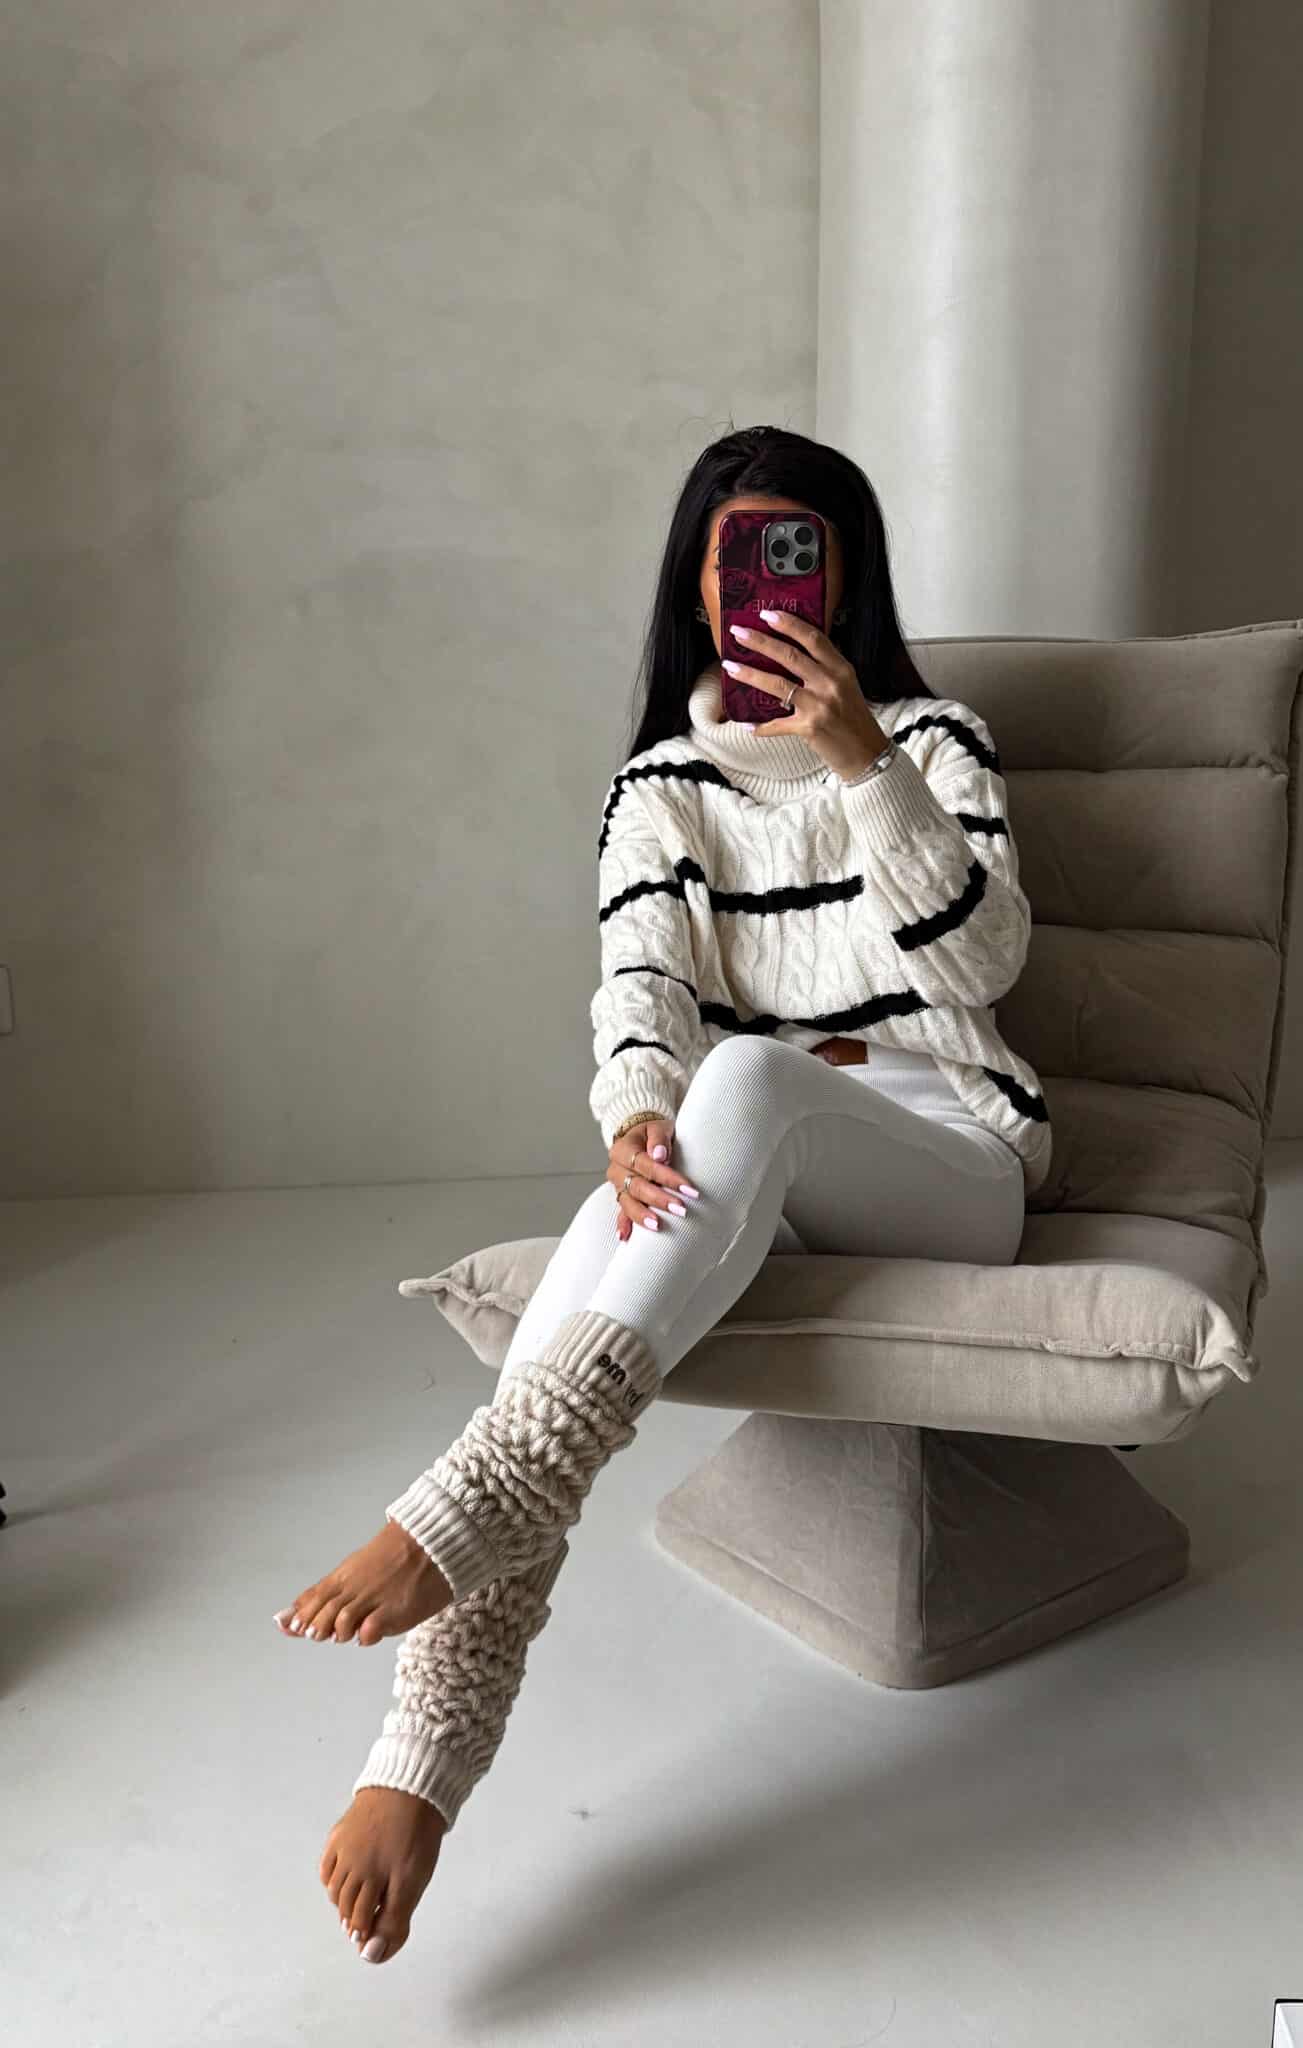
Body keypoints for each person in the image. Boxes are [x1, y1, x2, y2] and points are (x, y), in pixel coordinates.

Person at [276, 424, 1051, 1964]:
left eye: (799, 551)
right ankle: (421, 1757)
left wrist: (863, 765)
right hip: (747, 1152)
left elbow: (984, 963)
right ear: (699, 588)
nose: (768, 582)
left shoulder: (933, 742)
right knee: (626, 1218)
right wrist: (635, 1114)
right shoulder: (663, 787)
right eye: (739, 555)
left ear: (845, 574)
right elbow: (641, 985)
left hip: (944, 1154)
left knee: (744, 1079)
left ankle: (466, 1515)